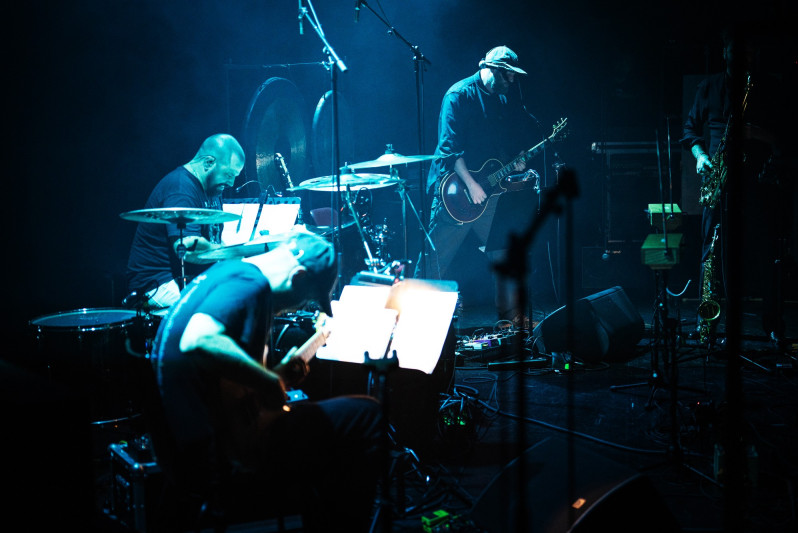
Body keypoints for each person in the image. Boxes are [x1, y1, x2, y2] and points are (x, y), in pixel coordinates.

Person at [149, 229, 383, 532]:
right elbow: (198, 339)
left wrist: (280, 373)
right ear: (298, 277)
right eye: (305, 299)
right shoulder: (251, 285)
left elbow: (228, 386)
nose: (296, 308)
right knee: (366, 415)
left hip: (179, 453)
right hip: (215, 459)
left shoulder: (227, 272)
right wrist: (269, 383)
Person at [681, 27, 792, 347]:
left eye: (748, 51)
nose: (742, 57)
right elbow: (690, 131)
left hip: (758, 183)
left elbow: (787, 137)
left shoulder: (768, 88)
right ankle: (708, 325)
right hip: (719, 180)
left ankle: (773, 325)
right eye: (735, 50)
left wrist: (757, 134)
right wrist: (701, 156)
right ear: (725, 52)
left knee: (766, 254)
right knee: (710, 256)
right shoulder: (709, 87)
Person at [416, 45, 538, 324]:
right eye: (508, 75)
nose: (512, 80)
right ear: (491, 69)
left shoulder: (501, 100)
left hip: (488, 192)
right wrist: (471, 185)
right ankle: (415, 318)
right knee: (435, 258)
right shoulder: (458, 95)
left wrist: (514, 162)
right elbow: (449, 150)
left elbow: (496, 149)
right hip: (455, 191)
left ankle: (510, 319)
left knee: (505, 250)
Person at [126, 133, 245, 309]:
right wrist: (230, 253)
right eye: (228, 174)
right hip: (157, 283)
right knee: (217, 307)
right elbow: (188, 252)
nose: (232, 183)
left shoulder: (212, 189)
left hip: (186, 277)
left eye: (235, 175)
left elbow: (212, 241)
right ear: (208, 163)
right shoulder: (181, 189)